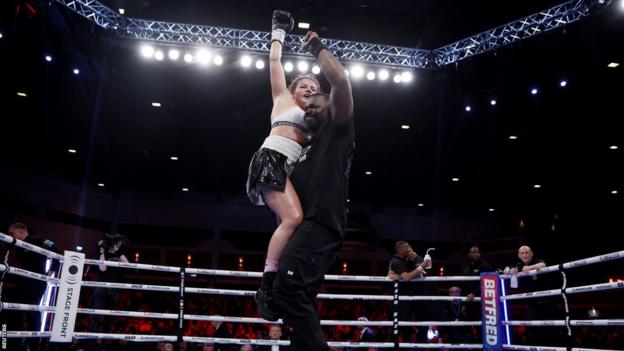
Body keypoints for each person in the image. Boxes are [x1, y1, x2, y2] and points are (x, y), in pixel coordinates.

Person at [262, 22, 354, 350]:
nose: (311, 109)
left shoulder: (338, 132)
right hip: (310, 228)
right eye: (308, 106)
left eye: (317, 105)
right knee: (293, 300)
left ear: (332, 109)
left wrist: (316, 47)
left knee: (286, 293)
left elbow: (341, 81)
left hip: (322, 226)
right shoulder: (304, 148)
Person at [246, 10, 327, 320]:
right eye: (304, 86)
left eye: (314, 87)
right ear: (294, 91)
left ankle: (280, 283)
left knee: (292, 224)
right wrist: (278, 31)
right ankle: (266, 284)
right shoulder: (283, 100)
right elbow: (274, 64)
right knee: (293, 218)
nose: (309, 89)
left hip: (288, 170)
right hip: (271, 159)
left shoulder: (316, 119)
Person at [1, 222, 60, 351]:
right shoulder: (14, 244)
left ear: (21, 232)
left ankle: (34, 346)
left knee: (32, 313)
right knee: (12, 312)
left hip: (36, 282)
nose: (10, 236)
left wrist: (50, 272)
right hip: (21, 282)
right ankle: (11, 344)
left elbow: (57, 254)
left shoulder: (39, 240)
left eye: (12, 233)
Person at [503, 245, 554, 345]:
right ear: (519, 255)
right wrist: (509, 270)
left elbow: (543, 265)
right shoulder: (518, 264)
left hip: (546, 301)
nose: (525, 255)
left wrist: (530, 267)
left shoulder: (536, 260)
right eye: (522, 253)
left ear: (532, 254)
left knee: (549, 330)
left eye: (527, 252)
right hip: (531, 303)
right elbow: (507, 269)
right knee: (534, 329)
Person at [386, 241, 430, 344]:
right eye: (408, 249)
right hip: (400, 300)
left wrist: (417, 260)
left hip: (409, 299)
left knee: (407, 330)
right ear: (401, 250)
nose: (410, 250)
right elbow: (407, 277)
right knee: (397, 330)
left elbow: (420, 274)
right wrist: (422, 266)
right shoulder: (396, 261)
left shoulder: (407, 260)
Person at [89, 233, 129, 333]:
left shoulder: (120, 253)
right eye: (119, 241)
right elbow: (102, 268)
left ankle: (106, 343)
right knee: (96, 316)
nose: (120, 243)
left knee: (109, 318)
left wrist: (117, 251)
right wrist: (101, 250)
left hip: (114, 287)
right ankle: (92, 343)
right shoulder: (103, 251)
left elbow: (128, 265)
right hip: (102, 286)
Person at [460, 245, 493, 336]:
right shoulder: (466, 267)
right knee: (468, 327)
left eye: (478, 252)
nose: (476, 254)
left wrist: (474, 293)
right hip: (469, 302)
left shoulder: (485, 266)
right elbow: (464, 285)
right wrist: (463, 304)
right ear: (469, 254)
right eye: (474, 252)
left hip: (481, 301)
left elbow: (487, 283)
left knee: (481, 327)